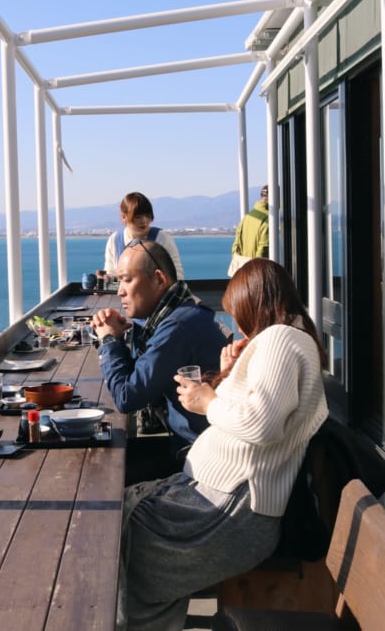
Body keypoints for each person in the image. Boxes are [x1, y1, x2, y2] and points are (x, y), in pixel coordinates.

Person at [117, 259, 328, 630]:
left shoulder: (280, 339)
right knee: (119, 531)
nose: (234, 324)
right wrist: (228, 373)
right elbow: (257, 415)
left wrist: (207, 401)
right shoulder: (285, 341)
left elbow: (261, 426)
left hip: (230, 511)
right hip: (218, 500)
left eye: (236, 313)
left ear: (253, 303)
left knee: (112, 540)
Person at [91, 240, 226, 475]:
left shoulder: (176, 327)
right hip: (196, 445)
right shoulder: (182, 313)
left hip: (199, 458)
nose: (120, 290)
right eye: (118, 280)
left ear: (159, 279)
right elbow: (140, 375)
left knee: (99, 471)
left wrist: (109, 341)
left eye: (127, 279)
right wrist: (122, 335)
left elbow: (127, 397)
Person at [104, 192, 185, 280]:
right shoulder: (115, 240)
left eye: (147, 216)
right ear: (124, 217)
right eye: (138, 217)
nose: (144, 221)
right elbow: (111, 273)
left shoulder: (162, 238)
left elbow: (176, 275)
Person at [228, 184, 270, 277]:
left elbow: (235, 246)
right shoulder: (269, 219)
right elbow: (263, 249)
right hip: (256, 273)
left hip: (243, 272)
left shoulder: (247, 217)